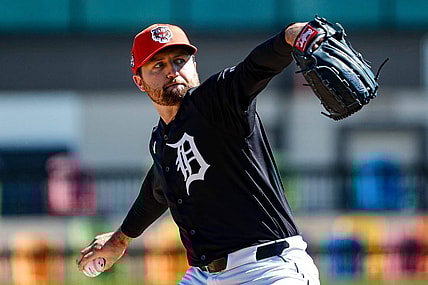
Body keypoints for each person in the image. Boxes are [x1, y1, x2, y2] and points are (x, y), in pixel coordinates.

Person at [77, 22, 320, 284]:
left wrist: (288, 38)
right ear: (140, 81)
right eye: (158, 65)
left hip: (267, 269)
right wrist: (119, 239)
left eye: (179, 60)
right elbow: (157, 188)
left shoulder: (217, 100)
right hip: (206, 276)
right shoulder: (163, 141)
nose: (172, 71)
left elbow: (253, 69)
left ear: (194, 64)